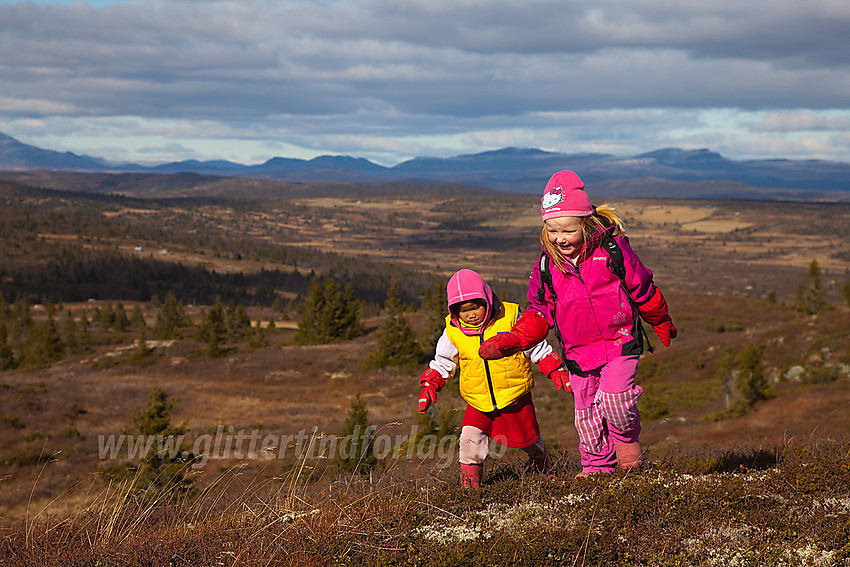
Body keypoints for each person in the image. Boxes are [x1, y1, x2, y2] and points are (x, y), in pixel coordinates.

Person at [479, 170, 677, 477]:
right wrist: (516, 340)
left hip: (619, 341)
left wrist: (659, 317)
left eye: (567, 231)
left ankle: (627, 448)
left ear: (585, 225)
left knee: (616, 400)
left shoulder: (612, 250)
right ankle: (598, 468)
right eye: (552, 231)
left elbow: (641, 286)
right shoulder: (547, 265)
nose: (560, 239)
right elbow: (539, 312)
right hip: (577, 353)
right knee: (586, 416)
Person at [417, 268, 568, 488]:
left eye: (475, 307)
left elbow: (533, 345)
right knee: (469, 441)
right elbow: (444, 361)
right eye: (462, 310)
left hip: (514, 394)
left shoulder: (510, 318)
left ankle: (543, 468)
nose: (470, 314)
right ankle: (470, 486)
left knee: (530, 440)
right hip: (477, 399)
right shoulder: (453, 331)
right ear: (453, 310)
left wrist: (553, 367)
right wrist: (431, 382)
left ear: (487, 299)